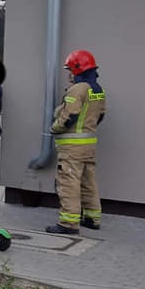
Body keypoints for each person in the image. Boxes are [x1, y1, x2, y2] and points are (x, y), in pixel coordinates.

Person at [46, 49, 107, 235]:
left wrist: (53, 128)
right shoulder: (97, 89)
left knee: (69, 181)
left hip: (72, 147)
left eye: (70, 70)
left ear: (77, 69)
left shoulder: (77, 89)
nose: (69, 75)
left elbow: (69, 116)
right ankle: (92, 217)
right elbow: (100, 115)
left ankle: (68, 223)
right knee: (88, 181)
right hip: (89, 144)